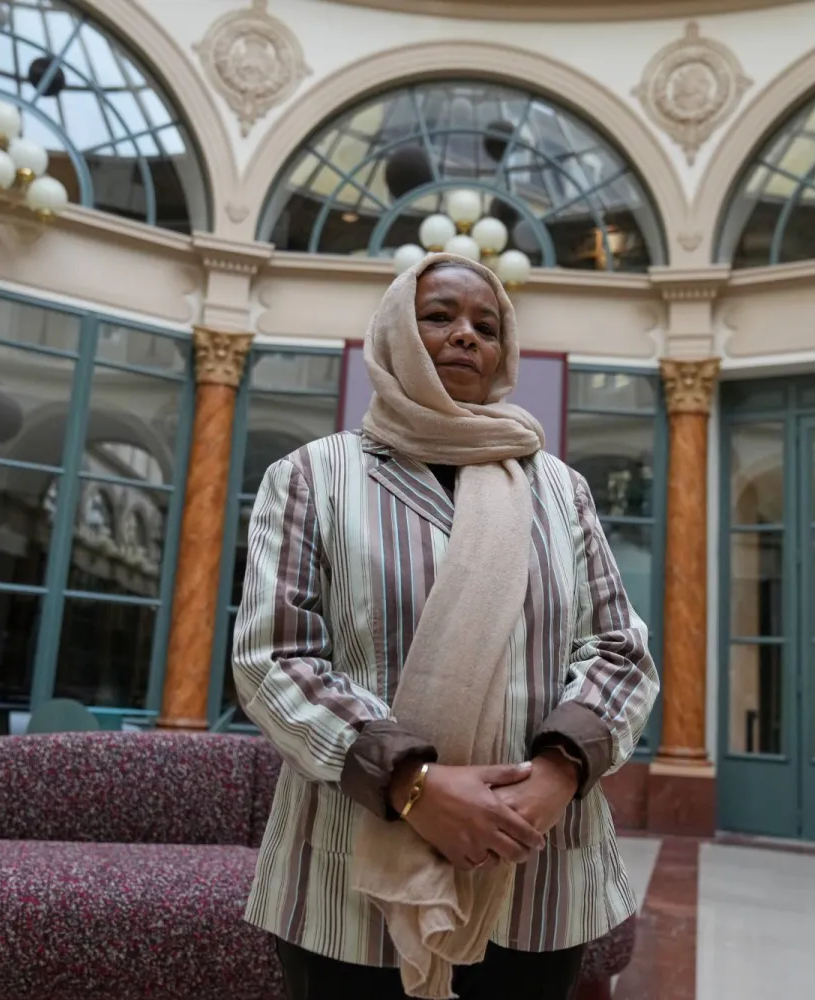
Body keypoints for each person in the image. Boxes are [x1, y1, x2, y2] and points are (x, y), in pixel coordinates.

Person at [232, 253, 659, 1000]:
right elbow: (274, 658)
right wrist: (415, 785)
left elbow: (619, 649)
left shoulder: (559, 490)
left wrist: (556, 777)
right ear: (396, 331)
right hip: (348, 880)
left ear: (503, 352)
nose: (466, 335)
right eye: (440, 316)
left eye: (485, 326)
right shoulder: (313, 475)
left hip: (535, 865)